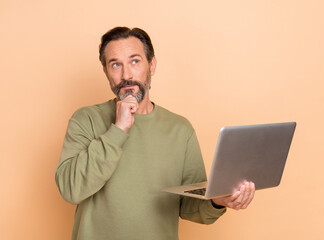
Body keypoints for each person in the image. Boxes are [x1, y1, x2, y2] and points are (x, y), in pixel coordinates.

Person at [55, 26, 255, 240]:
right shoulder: (86, 119)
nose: (126, 75)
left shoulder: (180, 129)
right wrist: (118, 129)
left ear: (152, 65)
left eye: (135, 61)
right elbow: (71, 190)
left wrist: (218, 201)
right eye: (115, 65)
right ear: (105, 71)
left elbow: (189, 206)